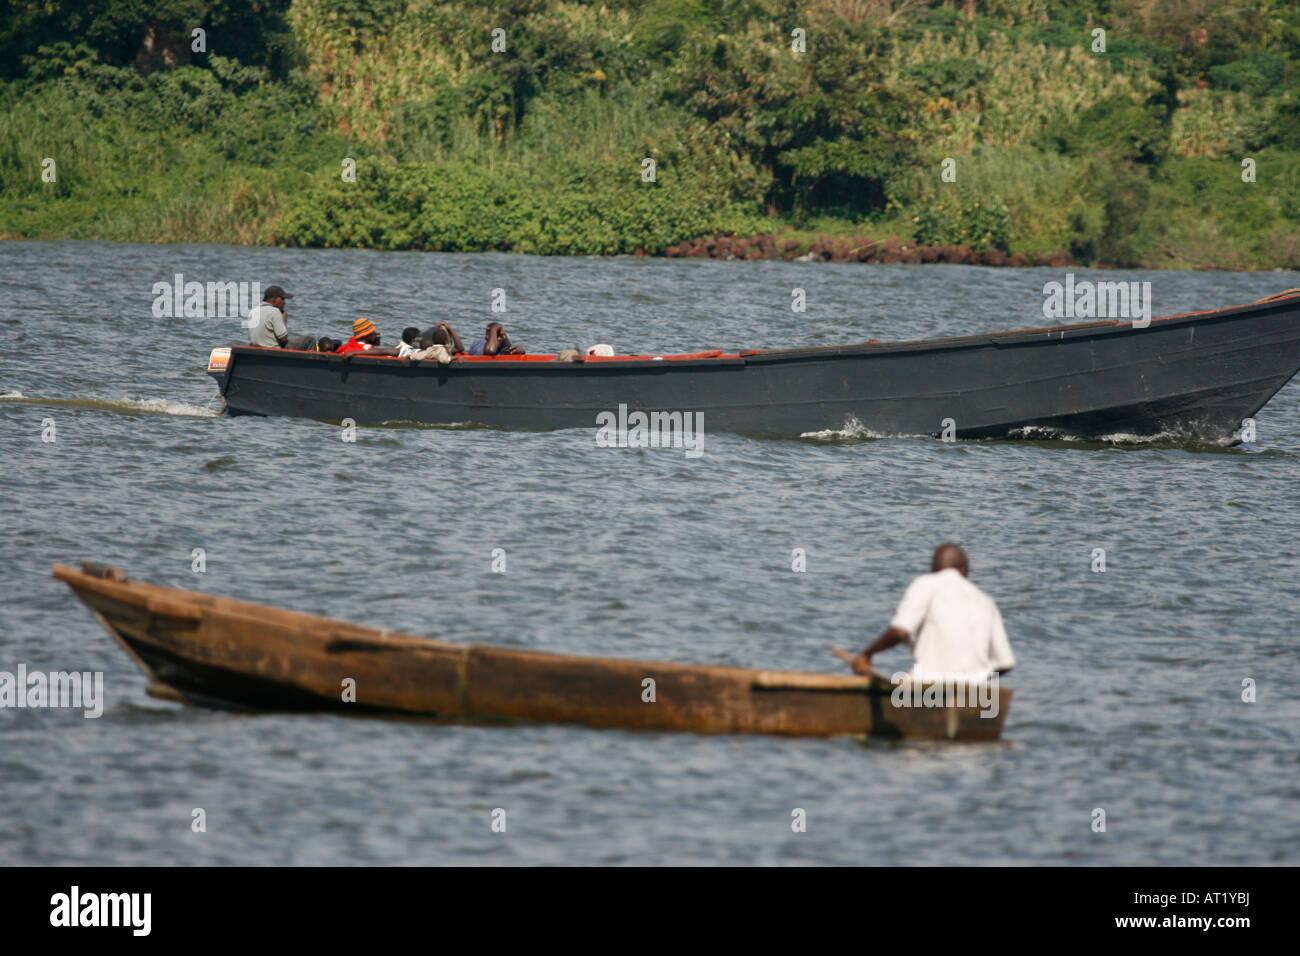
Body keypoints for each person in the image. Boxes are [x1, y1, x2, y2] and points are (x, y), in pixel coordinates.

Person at [848, 544, 1014, 681]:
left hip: (929, 689)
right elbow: (1006, 663)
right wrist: (978, 677)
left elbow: (900, 632)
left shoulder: (926, 584)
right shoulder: (986, 602)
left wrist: (866, 654)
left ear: (933, 568)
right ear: (964, 569)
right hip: (976, 697)